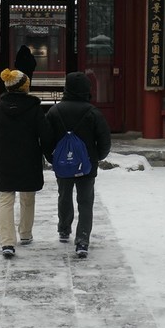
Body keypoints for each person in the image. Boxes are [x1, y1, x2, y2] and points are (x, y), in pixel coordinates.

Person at [0, 68, 53, 258]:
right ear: (25, 88)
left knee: (5, 199)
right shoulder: (34, 109)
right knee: (27, 196)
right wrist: (49, 155)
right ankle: (25, 233)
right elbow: (46, 135)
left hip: (5, 160)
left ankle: (7, 242)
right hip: (29, 159)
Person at [46, 72, 111, 258]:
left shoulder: (54, 111)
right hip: (87, 165)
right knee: (85, 200)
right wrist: (96, 157)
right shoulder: (93, 112)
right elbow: (104, 140)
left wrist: (53, 159)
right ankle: (82, 240)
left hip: (63, 164)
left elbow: (47, 139)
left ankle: (64, 229)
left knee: (64, 195)